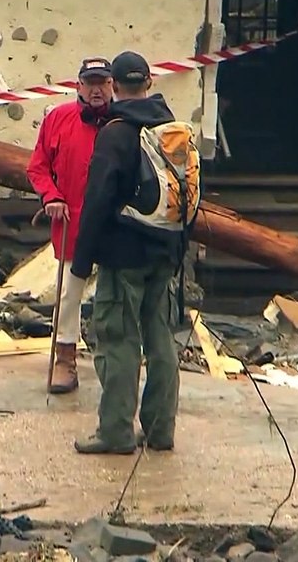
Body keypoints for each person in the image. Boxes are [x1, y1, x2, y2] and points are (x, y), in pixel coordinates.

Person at [70, 50, 192, 455]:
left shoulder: (117, 132)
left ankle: (116, 432)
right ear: (150, 84)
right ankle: (160, 430)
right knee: (160, 339)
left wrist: (82, 260)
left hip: (124, 256)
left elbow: (97, 201)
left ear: (116, 87)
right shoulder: (171, 129)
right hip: (166, 250)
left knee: (119, 340)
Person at [25, 57, 114, 394]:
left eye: (102, 82)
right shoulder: (58, 119)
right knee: (68, 293)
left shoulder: (123, 122)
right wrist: (51, 196)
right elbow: (37, 167)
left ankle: (117, 359)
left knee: (115, 291)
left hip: (114, 222)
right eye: (90, 82)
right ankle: (65, 358)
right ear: (78, 86)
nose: (96, 89)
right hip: (72, 217)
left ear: (112, 86)